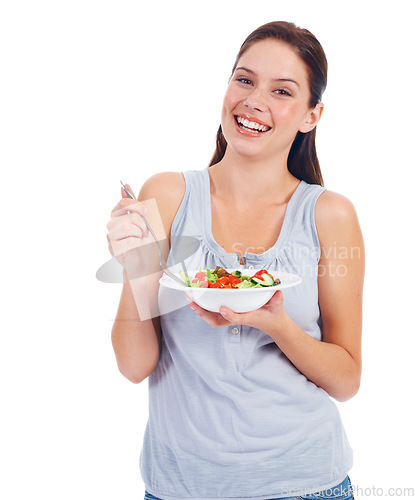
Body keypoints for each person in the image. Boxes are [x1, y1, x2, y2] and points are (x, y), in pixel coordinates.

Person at [106, 21, 364, 500]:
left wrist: (278, 324)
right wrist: (135, 265)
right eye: (244, 80)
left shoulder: (330, 215)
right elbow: (134, 365)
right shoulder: (166, 195)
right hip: (179, 487)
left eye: (282, 91)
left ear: (312, 115)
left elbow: (346, 379)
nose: (254, 101)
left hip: (307, 484)